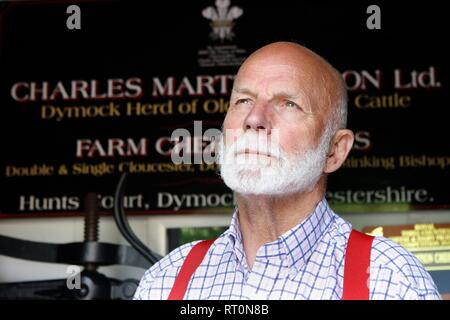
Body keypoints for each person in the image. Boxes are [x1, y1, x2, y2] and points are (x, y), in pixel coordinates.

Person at [134, 42, 441, 300]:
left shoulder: (390, 280)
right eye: (243, 100)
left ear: (334, 151)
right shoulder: (166, 280)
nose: (254, 118)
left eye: (289, 104)